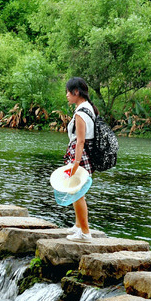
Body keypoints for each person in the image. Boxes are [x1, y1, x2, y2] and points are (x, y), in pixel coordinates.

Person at [63, 77, 96, 243]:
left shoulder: (80, 113)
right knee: (78, 192)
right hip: (84, 154)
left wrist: (75, 163)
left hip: (80, 155)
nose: (67, 95)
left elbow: (80, 140)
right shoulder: (88, 108)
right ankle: (78, 226)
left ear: (76, 92)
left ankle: (85, 232)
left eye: (68, 92)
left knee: (77, 193)